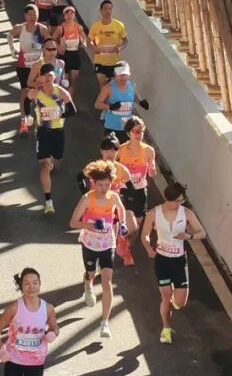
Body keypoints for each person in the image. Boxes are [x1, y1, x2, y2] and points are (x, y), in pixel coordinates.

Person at [70, 159, 128, 339]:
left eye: (107, 184)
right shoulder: (87, 198)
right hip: (89, 243)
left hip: (107, 244)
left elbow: (121, 209)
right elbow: (73, 223)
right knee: (91, 273)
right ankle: (87, 284)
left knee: (107, 281)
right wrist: (90, 225)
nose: (104, 188)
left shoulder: (114, 197)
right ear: (94, 183)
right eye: (100, 185)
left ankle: (105, 323)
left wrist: (123, 224)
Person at [142, 181, 206, 344]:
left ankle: (172, 304)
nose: (179, 204)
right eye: (176, 201)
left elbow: (202, 233)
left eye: (181, 201)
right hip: (162, 261)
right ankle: (166, 328)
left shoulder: (186, 213)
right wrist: (149, 248)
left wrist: (189, 236)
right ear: (167, 198)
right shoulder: (153, 213)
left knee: (180, 302)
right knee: (166, 298)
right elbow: (145, 235)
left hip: (179, 261)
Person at [0, 268, 58, 376]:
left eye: (35, 283)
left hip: (35, 362)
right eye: (27, 283)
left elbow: (55, 327)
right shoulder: (13, 308)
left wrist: (52, 334)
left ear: (40, 284)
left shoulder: (48, 308)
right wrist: (1, 349)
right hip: (14, 361)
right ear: (21, 286)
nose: (31, 287)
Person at [28, 63, 75, 215]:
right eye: (45, 76)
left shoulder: (60, 92)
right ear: (40, 77)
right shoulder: (35, 93)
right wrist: (28, 116)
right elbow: (27, 101)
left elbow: (72, 110)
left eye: (51, 75)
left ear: (55, 77)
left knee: (57, 159)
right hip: (42, 132)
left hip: (58, 132)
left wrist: (60, 114)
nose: (48, 78)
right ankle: (48, 201)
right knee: (44, 166)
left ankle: (54, 164)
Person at [114, 114, 155, 265]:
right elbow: (113, 167)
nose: (139, 134)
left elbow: (152, 171)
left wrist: (152, 169)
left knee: (137, 226)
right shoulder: (121, 150)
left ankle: (126, 247)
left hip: (140, 190)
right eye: (136, 131)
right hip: (125, 190)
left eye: (141, 131)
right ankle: (124, 246)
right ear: (128, 133)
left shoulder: (149, 150)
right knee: (132, 226)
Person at [11, 6, 54, 132]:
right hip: (23, 65)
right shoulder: (20, 28)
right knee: (25, 90)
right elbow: (9, 36)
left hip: (38, 66)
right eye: (30, 14)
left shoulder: (42, 29)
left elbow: (49, 44)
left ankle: (42, 118)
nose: (32, 17)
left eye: (35, 14)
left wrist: (49, 56)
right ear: (25, 15)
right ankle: (23, 119)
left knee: (38, 90)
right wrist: (12, 49)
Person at [88, 0, 128, 84]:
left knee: (116, 87)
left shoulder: (119, 25)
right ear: (101, 11)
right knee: (103, 87)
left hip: (116, 62)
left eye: (110, 9)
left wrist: (120, 48)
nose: (108, 11)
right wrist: (94, 48)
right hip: (100, 62)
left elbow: (125, 41)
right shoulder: (95, 26)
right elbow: (89, 41)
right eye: (105, 9)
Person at [57, 5, 86, 93]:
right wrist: (58, 47)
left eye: (71, 13)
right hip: (64, 56)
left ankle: (70, 100)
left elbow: (84, 39)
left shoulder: (79, 27)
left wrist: (83, 43)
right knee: (64, 82)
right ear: (64, 16)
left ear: (74, 15)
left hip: (75, 56)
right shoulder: (60, 28)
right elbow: (52, 39)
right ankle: (63, 99)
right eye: (67, 13)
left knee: (73, 82)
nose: (69, 16)